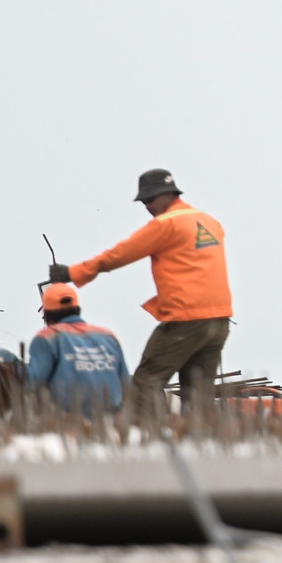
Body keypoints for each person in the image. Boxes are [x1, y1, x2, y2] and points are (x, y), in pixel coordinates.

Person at [49, 168, 232, 417]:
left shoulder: (167, 224)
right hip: (219, 321)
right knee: (198, 391)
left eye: (149, 199)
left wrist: (73, 273)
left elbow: (120, 254)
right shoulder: (209, 221)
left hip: (187, 319)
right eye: (143, 201)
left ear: (168, 194)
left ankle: (152, 440)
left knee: (147, 380)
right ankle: (201, 443)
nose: (147, 206)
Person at [27, 282, 131, 413]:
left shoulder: (47, 338)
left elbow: (31, 382)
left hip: (68, 424)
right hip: (110, 424)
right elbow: (126, 385)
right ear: (78, 309)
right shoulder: (109, 336)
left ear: (47, 315)